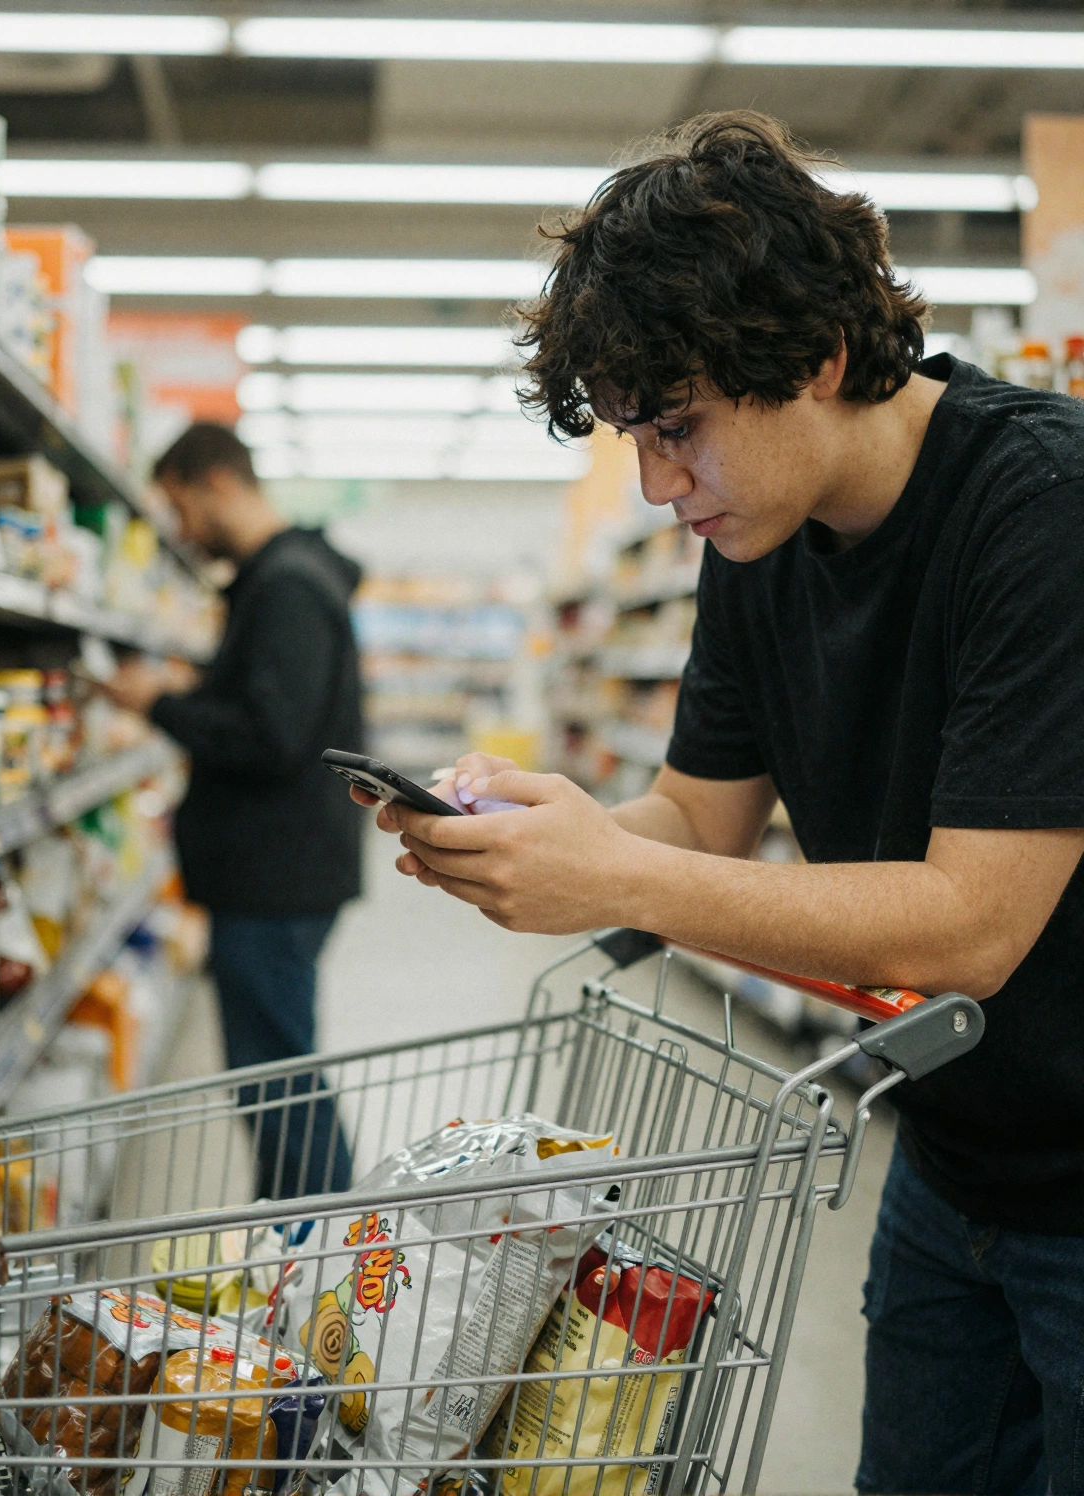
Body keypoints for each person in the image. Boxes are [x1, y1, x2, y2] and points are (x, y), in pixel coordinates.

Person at [351, 113, 1084, 1495]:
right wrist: (539, 838)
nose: (655, 485)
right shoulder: (755, 537)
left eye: (677, 430)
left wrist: (616, 882)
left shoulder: (1042, 509)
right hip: (952, 1166)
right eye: (633, 438)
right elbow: (699, 823)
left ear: (812, 359)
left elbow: (967, 929)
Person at [104, 421, 363, 1201]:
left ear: (218, 482)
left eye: (180, 507)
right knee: (272, 1077)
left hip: (275, 881)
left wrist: (165, 703)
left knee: (278, 1083)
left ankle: (317, 1247)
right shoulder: (277, 579)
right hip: (271, 875)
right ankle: (303, 1242)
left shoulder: (285, 585)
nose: (180, 530)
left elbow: (270, 736)